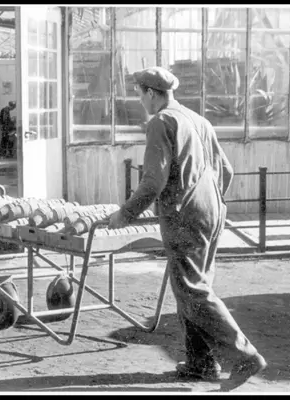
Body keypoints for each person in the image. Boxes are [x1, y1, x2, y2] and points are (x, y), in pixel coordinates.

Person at [108, 67, 267, 390]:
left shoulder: (161, 122)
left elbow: (153, 180)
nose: (140, 102)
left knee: (192, 290)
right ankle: (201, 362)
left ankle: (244, 356)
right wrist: (209, 202)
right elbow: (226, 170)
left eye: (139, 94)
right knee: (194, 287)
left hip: (185, 216)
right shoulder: (198, 120)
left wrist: (126, 213)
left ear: (151, 93)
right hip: (211, 211)